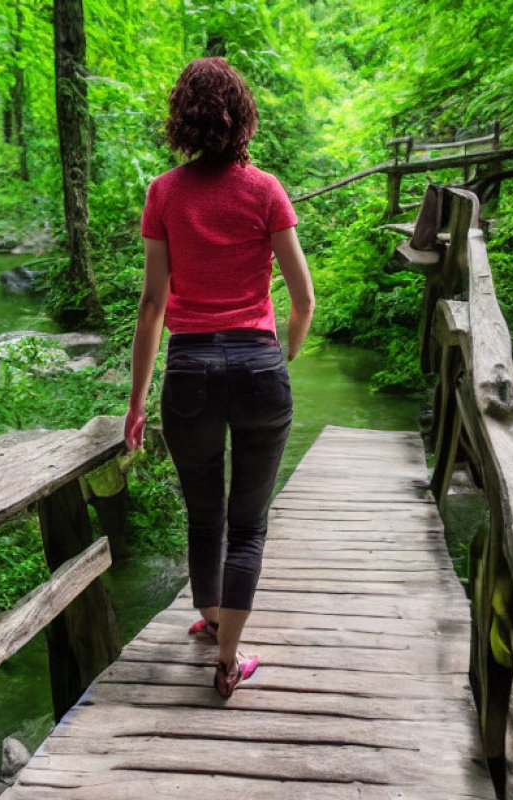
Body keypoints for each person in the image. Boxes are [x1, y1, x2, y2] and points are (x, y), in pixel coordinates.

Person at [123, 57, 314, 699]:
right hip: (258, 362)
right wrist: (278, 353)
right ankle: (228, 659)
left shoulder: (164, 193)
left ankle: (210, 620)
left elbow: (153, 305)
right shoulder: (265, 190)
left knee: (204, 517)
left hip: (190, 368)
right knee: (249, 523)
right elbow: (304, 299)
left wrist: (137, 401)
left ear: (183, 118)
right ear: (242, 117)